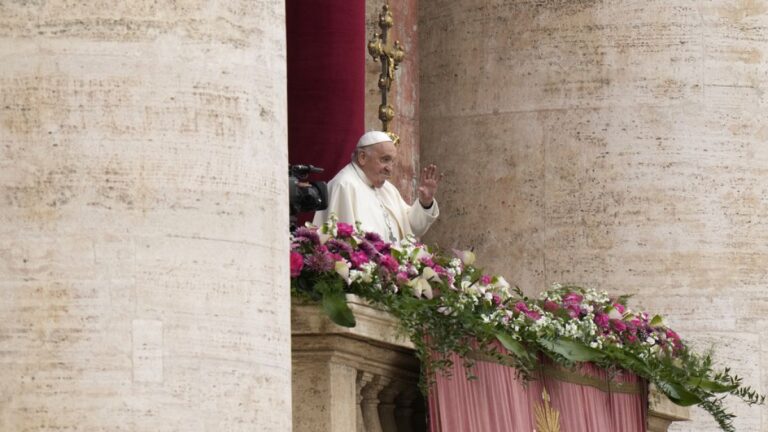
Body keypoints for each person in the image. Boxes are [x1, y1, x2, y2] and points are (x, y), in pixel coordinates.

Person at [313, 131, 441, 242]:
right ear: (362, 157)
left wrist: (425, 203)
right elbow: (342, 246)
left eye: (392, 161)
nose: (390, 169)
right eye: (385, 160)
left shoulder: (388, 189)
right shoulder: (344, 186)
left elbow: (412, 226)